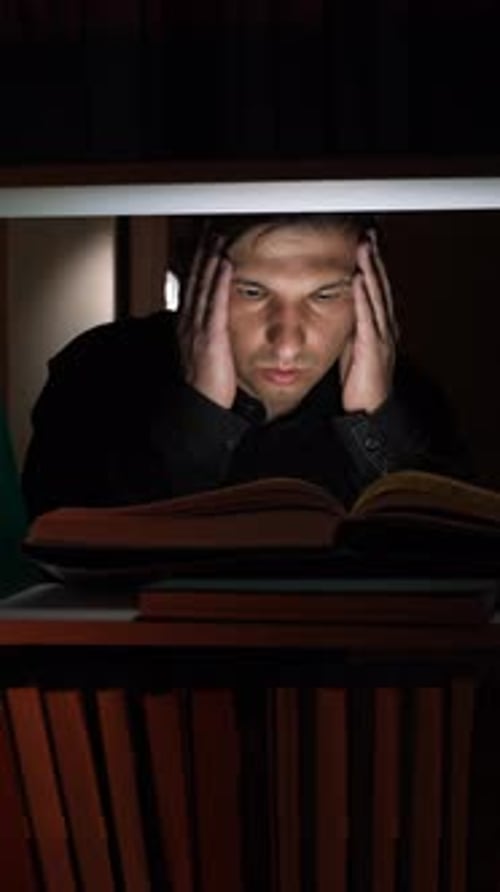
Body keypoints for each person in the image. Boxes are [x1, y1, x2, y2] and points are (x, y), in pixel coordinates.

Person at [22, 213, 469, 519]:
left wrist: (377, 424)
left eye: (324, 295)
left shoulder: (409, 395)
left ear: (369, 293)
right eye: (252, 292)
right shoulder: (98, 373)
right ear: (192, 279)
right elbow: (68, 562)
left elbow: (456, 571)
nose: (287, 344)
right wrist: (200, 418)